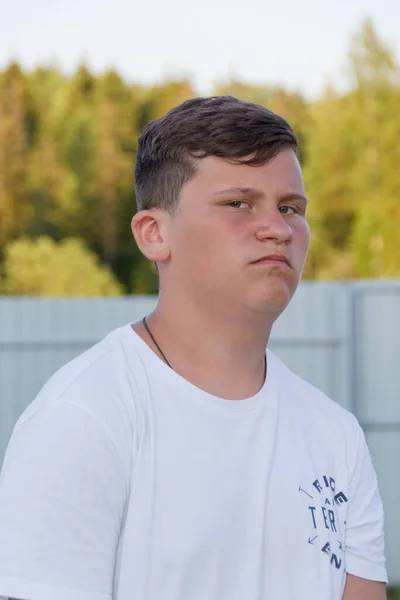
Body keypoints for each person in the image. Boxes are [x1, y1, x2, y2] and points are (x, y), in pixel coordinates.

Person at [0, 96, 387, 600]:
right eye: (238, 203)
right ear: (154, 233)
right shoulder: (83, 418)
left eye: (290, 208)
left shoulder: (337, 435)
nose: (278, 229)